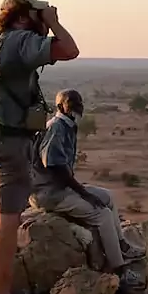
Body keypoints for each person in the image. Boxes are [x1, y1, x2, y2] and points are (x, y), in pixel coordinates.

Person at [0, 0, 80, 294]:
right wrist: (54, 22)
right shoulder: (18, 42)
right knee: (10, 219)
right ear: (20, 18)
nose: (40, 25)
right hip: (7, 140)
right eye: (35, 17)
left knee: (0, 197)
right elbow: (70, 49)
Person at [30, 89, 129, 278]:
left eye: (80, 103)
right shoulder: (57, 127)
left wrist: (82, 191)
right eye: (73, 103)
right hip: (49, 193)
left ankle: (122, 244)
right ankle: (119, 269)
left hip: (60, 188)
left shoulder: (66, 125)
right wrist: (84, 193)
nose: (78, 107)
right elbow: (55, 166)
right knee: (103, 214)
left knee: (108, 196)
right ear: (60, 106)